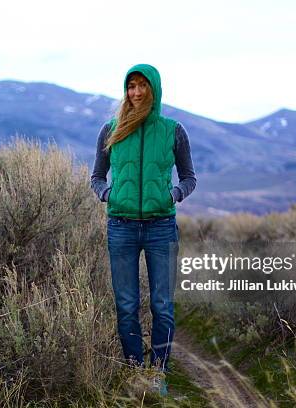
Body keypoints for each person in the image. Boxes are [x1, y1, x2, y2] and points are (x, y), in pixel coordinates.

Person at [90, 64, 197, 394]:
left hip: (161, 227)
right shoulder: (111, 129)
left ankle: (159, 374)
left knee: (162, 305)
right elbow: (96, 177)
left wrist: (172, 194)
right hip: (120, 227)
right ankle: (135, 371)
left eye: (142, 86)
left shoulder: (172, 130)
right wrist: (109, 195)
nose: (136, 92)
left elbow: (189, 178)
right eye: (131, 86)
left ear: (155, 89)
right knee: (126, 305)